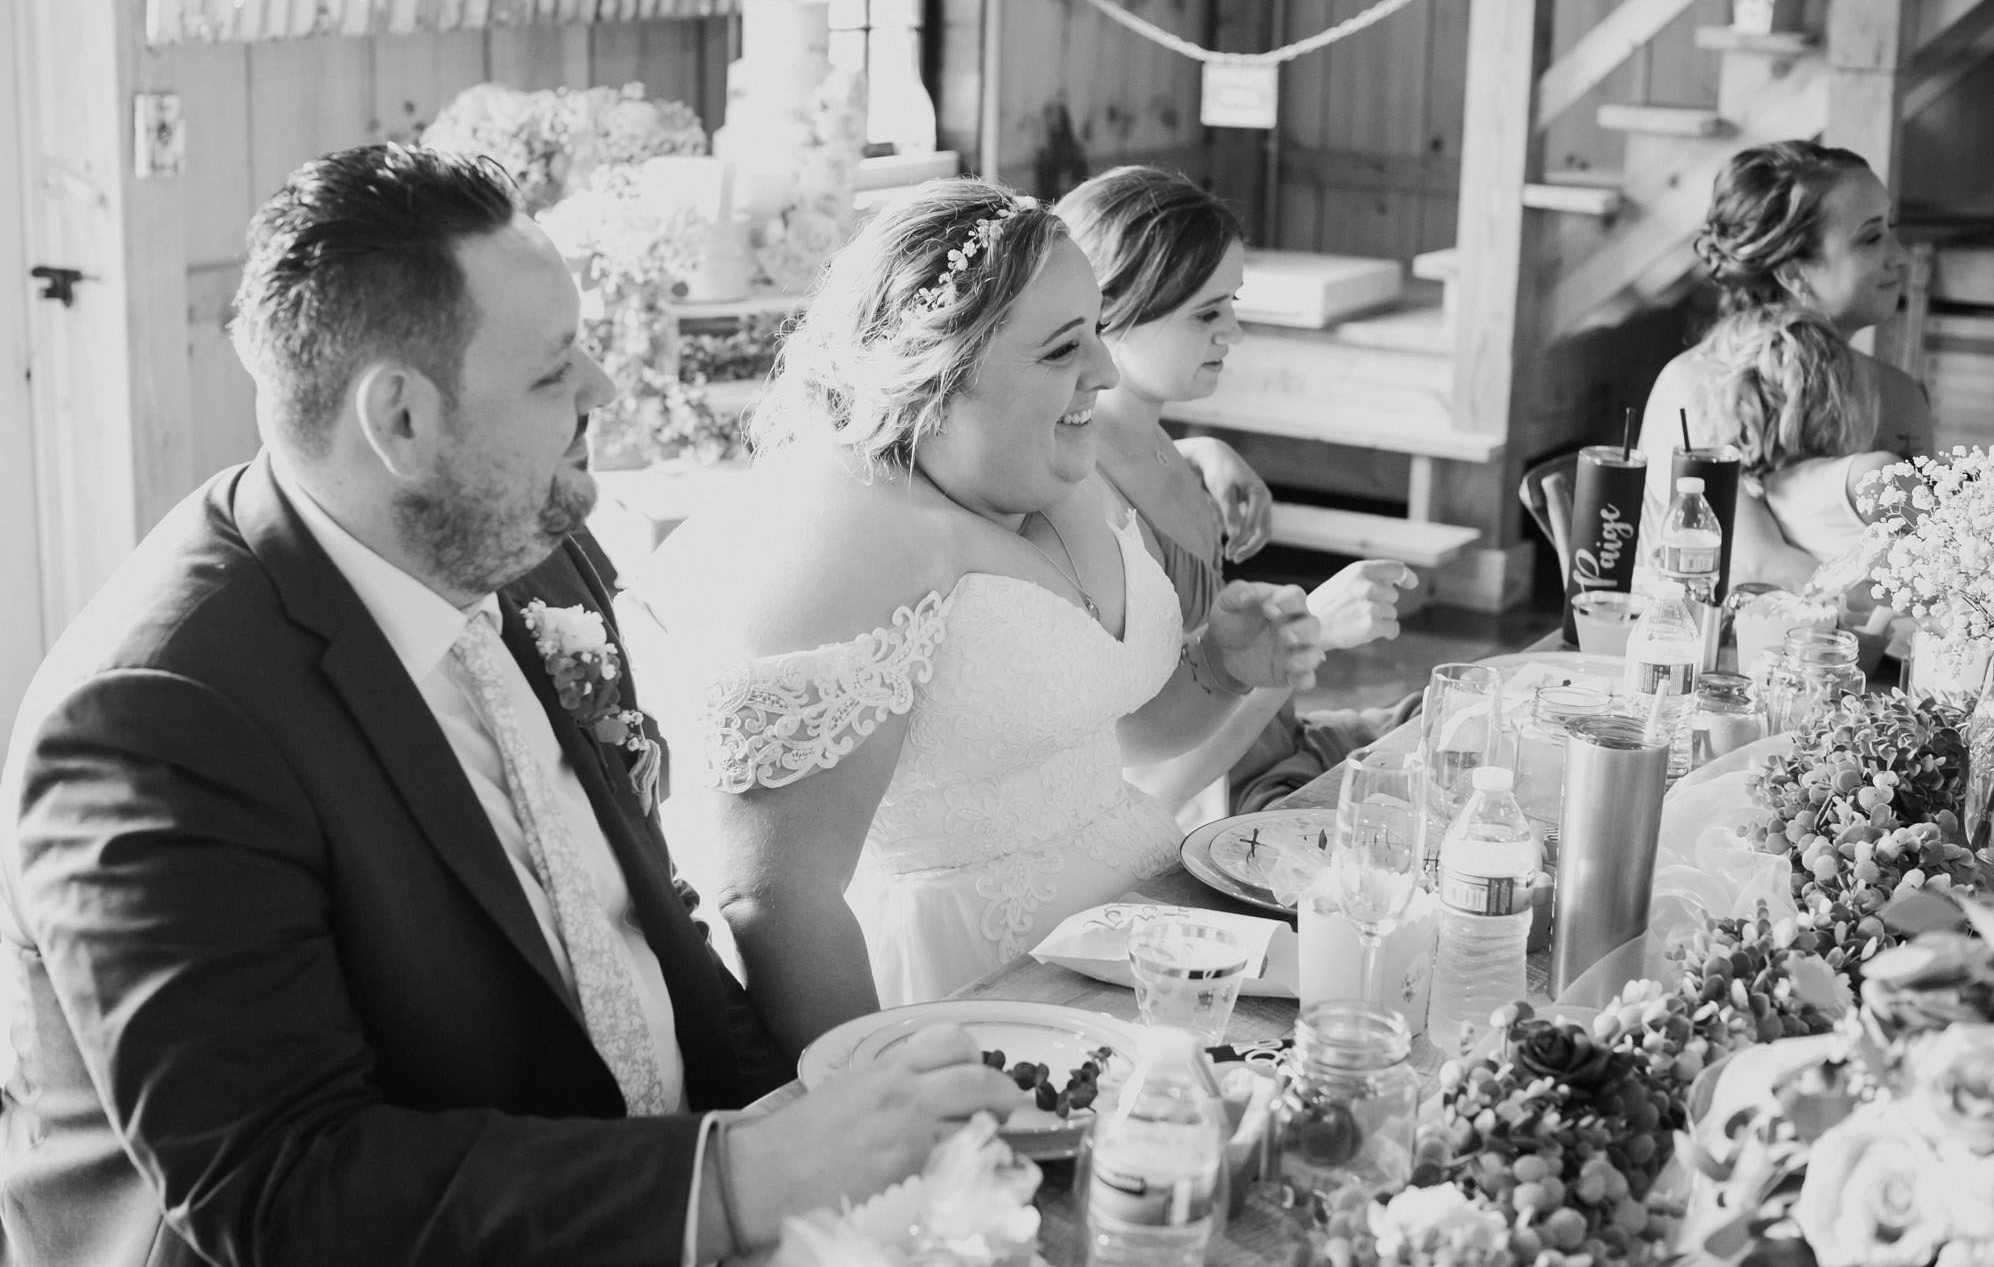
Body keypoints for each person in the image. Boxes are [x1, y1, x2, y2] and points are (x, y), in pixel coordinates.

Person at [0, 143, 1020, 1267]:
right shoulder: (156, 719)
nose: (604, 390)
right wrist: (738, 1178)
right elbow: (286, 1191)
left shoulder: (521, 541)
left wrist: (805, 1115)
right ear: (400, 420)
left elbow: (640, 921)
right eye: (551, 373)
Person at [618, 178, 1324, 1043]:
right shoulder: (851, 540)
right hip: (970, 987)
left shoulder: (1061, 468)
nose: (1104, 371)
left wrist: (1219, 665)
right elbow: (774, 894)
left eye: (1096, 331)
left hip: (1140, 943)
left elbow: (1115, 736)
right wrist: (878, 1082)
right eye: (1062, 349)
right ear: (940, 375)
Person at [1054, 165, 1421, 815]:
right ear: (1109, 314)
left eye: (1232, 304)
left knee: (1461, 716)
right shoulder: (1094, 509)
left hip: (1283, 745)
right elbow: (1153, 781)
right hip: (1227, 802)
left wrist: (1202, 452)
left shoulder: (1156, 444)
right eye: (1206, 313)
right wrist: (1309, 634)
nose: (1233, 332)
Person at [1635, 140, 1931, 588]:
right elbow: (1753, 568)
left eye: (1890, 228)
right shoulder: (1698, 385)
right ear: (1794, 273)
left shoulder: (1900, 396)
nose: (1901, 256)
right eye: (1871, 237)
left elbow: (1931, 566)